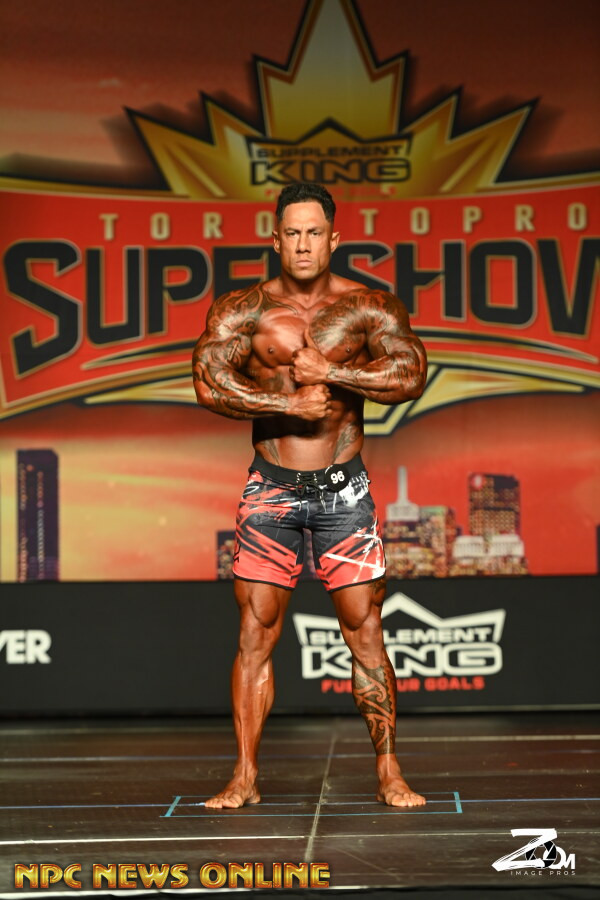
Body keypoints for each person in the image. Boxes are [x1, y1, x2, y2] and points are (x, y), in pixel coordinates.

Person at [193, 183, 427, 809]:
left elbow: (411, 373)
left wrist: (335, 372)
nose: (303, 244)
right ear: (275, 239)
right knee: (256, 632)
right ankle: (245, 775)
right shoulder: (244, 310)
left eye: (314, 233)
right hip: (270, 489)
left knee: (365, 629)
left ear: (333, 238)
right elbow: (209, 383)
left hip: (343, 491)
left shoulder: (368, 306)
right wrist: (286, 405)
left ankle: (389, 772)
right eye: (292, 233)